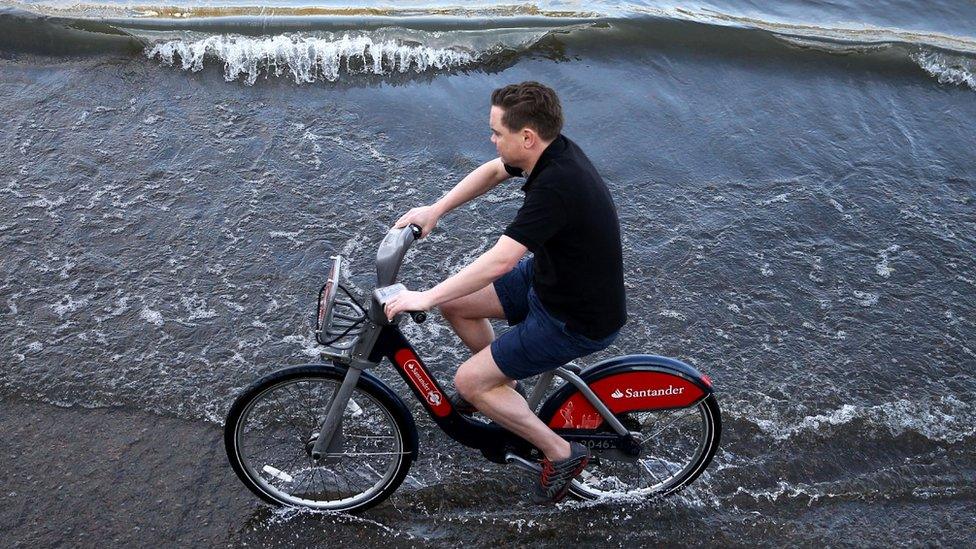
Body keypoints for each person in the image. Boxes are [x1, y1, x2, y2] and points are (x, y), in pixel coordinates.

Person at [383, 81, 627, 503]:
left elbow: (500, 261)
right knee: (458, 305)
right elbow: (495, 170)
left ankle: (562, 452)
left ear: (527, 136)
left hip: (575, 316)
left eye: (497, 132)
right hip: (552, 281)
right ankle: (505, 392)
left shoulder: (557, 187)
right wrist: (434, 210)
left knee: (468, 380)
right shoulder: (549, 153)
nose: (492, 139)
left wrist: (427, 296)